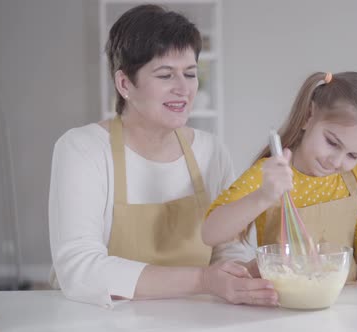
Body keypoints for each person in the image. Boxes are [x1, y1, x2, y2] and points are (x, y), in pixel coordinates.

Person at [48, 4, 277, 308]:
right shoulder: (83, 149)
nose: (183, 89)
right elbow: (79, 270)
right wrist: (203, 280)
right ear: (125, 84)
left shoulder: (211, 151)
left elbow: (228, 249)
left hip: (197, 318)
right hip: (101, 320)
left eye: (191, 74)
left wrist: (242, 274)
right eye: (166, 75)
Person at [203, 71, 357, 283]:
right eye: (332, 142)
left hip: (341, 310)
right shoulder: (271, 172)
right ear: (308, 116)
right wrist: (263, 196)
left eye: (353, 155)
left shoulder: (354, 178)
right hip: (282, 308)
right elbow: (211, 234)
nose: (336, 162)